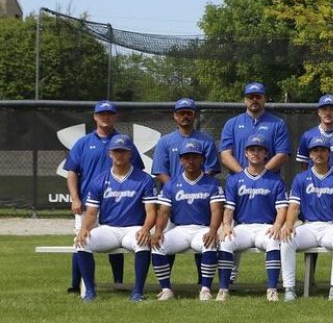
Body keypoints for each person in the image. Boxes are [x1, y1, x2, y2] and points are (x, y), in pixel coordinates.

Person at [64, 100, 144, 292]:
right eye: (102, 114)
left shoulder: (124, 141)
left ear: (115, 117)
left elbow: (138, 170)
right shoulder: (83, 143)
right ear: (95, 117)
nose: (106, 117)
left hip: (117, 200)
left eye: (109, 114)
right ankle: (77, 285)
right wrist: (75, 198)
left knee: (116, 239)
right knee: (81, 240)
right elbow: (72, 172)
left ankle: (118, 282)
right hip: (87, 203)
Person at [72, 134, 156, 302]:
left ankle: (137, 292)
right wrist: (84, 229)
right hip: (108, 228)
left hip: (133, 228)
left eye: (123, 151)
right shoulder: (100, 179)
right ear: (110, 153)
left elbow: (151, 211)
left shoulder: (144, 179)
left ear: (130, 153)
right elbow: (91, 212)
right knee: (81, 242)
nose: (120, 155)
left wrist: (146, 229)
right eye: (116, 151)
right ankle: (90, 291)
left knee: (142, 242)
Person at [152, 97, 220, 288]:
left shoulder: (205, 140)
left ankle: (203, 283)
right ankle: (166, 286)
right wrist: (175, 190)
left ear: (194, 115)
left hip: (200, 198)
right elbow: (160, 171)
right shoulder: (165, 141)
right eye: (181, 113)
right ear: (175, 116)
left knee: (204, 240)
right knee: (165, 242)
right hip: (172, 198)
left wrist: (194, 190)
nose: (185, 116)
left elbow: (210, 170)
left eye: (189, 113)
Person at [148, 140, 224, 301]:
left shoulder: (212, 183)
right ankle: (166, 290)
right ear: (181, 160)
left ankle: (205, 289)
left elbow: (217, 210)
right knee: (158, 245)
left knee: (209, 244)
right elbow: (164, 212)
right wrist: (158, 231)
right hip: (179, 229)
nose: (191, 161)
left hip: (202, 229)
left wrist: (212, 230)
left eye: (195, 157)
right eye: (187, 157)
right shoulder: (171, 184)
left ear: (202, 159)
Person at [217, 134, 289, 302]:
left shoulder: (275, 180)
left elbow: (282, 208)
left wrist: (278, 225)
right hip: (243, 227)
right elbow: (228, 208)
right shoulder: (235, 180)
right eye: (252, 150)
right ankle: (223, 289)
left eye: (259, 150)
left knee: (273, 242)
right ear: (246, 154)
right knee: (226, 241)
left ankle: (271, 289)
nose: (255, 153)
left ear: (266, 154)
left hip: (266, 226)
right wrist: (227, 225)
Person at [280, 136, 333, 300]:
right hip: (308, 226)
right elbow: (294, 206)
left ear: (329, 154)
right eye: (315, 150)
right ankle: (289, 288)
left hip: (330, 226)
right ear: (310, 155)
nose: (319, 153)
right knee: (286, 239)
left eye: (322, 150)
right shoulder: (301, 178)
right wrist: (289, 224)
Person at [220, 81, 291, 174]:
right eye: (250, 97)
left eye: (258, 96)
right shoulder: (231, 124)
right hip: (239, 182)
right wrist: (244, 176)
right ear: (245, 100)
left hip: (268, 182)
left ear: (264, 99)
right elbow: (225, 155)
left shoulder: (278, 123)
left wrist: (260, 175)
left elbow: (283, 155)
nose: (254, 99)